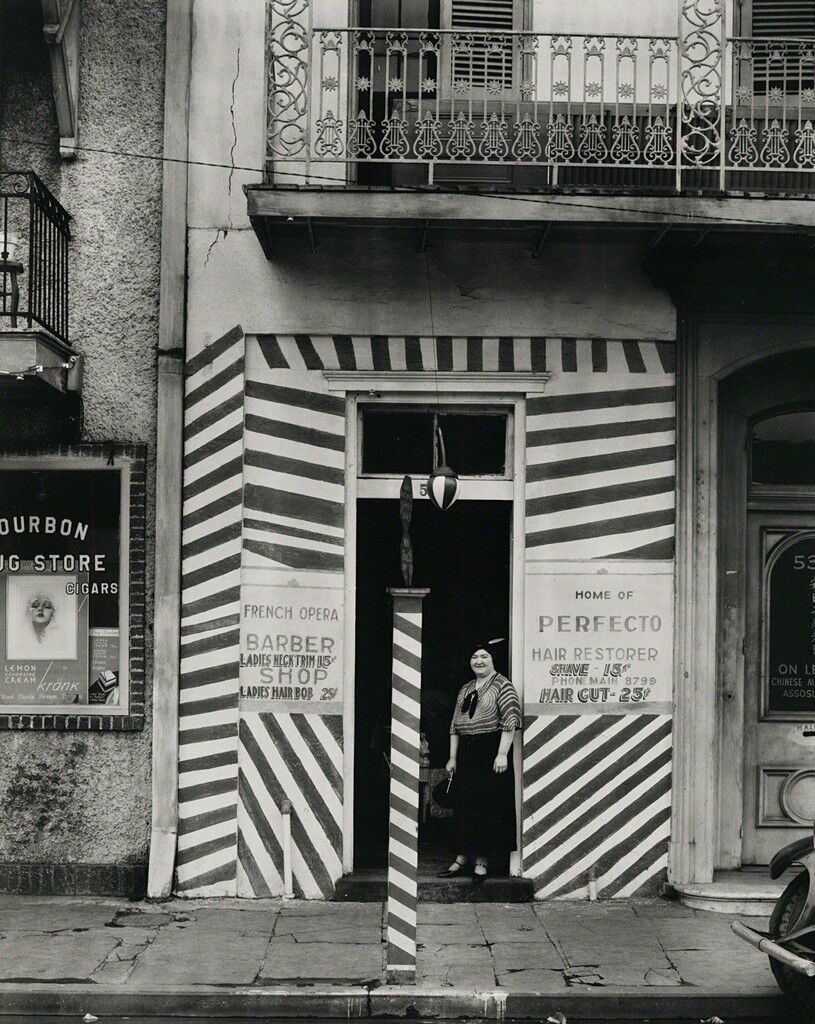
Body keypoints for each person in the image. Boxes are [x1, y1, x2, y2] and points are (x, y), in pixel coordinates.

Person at [438, 640, 521, 885]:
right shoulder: (465, 688)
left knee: (486, 807)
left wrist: (502, 754)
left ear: (492, 659)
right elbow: (454, 725)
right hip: (466, 753)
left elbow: (511, 720)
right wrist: (453, 758)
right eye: (474, 656)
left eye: (484, 656)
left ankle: (482, 861)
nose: (479, 661)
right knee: (464, 805)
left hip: (490, 752)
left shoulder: (503, 685)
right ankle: (461, 857)